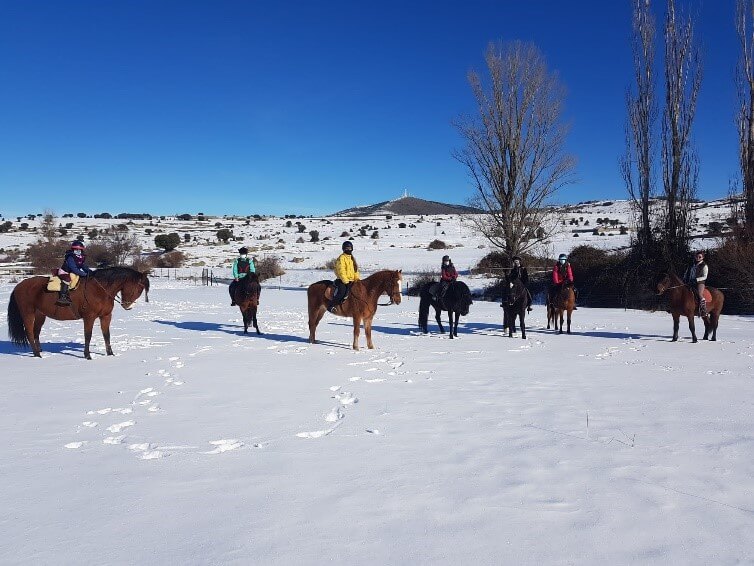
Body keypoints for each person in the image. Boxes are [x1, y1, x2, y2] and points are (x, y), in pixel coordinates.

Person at [57, 240, 93, 306]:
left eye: (79, 250)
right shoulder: (70, 257)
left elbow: (83, 266)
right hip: (65, 272)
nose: (78, 251)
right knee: (67, 279)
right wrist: (84, 274)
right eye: (76, 249)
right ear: (73, 249)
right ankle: (63, 296)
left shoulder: (81, 257)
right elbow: (74, 269)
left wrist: (89, 272)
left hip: (72, 272)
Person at [328, 241, 360, 313]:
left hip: (351, 280)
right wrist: (345, 281)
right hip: (342, 280)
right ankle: (331, 305)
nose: (348, 249)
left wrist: (357, 280)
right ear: (343, 249)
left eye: (350, 248)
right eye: (347, 248)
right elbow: (341, 270)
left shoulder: (352, 258)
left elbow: (355, 270)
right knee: (342, 292)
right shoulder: (341, 258)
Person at [685, 250, 709, 316]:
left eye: (700, 257)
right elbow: (686, 273)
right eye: (697, 256)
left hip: (700, 283)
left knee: (700, 294)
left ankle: (703, 309)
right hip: (689, 282)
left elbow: (705, 276)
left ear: (702, 257)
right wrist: (684, 278)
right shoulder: (691, 265)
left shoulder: (704, 266)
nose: (698, 258)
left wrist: (696, 280)